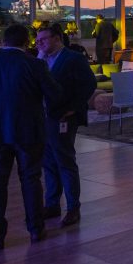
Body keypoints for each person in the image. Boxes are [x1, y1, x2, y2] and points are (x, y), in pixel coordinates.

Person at [0, 23, 62, 247]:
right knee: (31, 179)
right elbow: (54, 96)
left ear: (4, 41)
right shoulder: (36, 65)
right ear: (26, 42)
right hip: (28, 132)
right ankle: (35, 229)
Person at [35, 23, 95, 229]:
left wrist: (73, 108)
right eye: (38, 39)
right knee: (48, 162)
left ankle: (72, 207)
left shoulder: (73, 59)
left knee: (65, 161)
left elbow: (89, 84)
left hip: (63, 118)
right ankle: (52, 204)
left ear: (57, 38)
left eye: (43, 39)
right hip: (44, 117)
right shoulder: (40, 59)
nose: (39, 43)